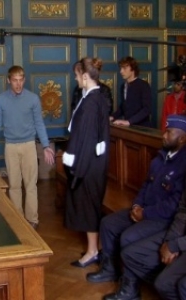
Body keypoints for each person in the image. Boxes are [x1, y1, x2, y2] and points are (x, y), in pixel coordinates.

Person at [86, 114, 186, 300]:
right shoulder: (160, 157)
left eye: (169, 132)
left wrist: (145, 213)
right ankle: (110, 269)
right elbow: (146, 185)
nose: (164, 135)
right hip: (144, 210)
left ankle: (130, 288)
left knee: (128, 237)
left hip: (162, 218)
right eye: (165, 131)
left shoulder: (183, 164)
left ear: (182, 139)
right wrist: (137, 205)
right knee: (108, 223)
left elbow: (175, 205)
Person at [0, 65, 55, 229]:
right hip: (11, 147)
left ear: (24, 80)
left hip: (29, 145)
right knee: (14, 185)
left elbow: (39, 124)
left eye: (21, 80)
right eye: (15, 80)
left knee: (30, 185)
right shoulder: (1, 99)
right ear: (9, 81)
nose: (18, 84)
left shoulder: (33, 99)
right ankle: (18, 220)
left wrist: (45, 145)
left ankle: (32, 220)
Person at [63, 57, 110, 268]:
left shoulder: (90, 103)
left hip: (88, 165)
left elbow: (85, 138)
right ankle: (93, 248)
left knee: (89, 207)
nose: (75, 79)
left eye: (76, 75)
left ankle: (92, 251)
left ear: (84, 75)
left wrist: (75, 169)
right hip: (93, 162)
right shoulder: (97, 96)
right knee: (91, 206)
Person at [110, 56, 152, 127]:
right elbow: (124, 106)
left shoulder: (143, 85)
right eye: (121, 68)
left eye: (124, 68)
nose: (121, 71)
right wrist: (112, 117)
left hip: (142, 127)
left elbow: (147, 109)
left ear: (132, 69)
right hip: (129, 127)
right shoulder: (123, 86)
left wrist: (129, 121)